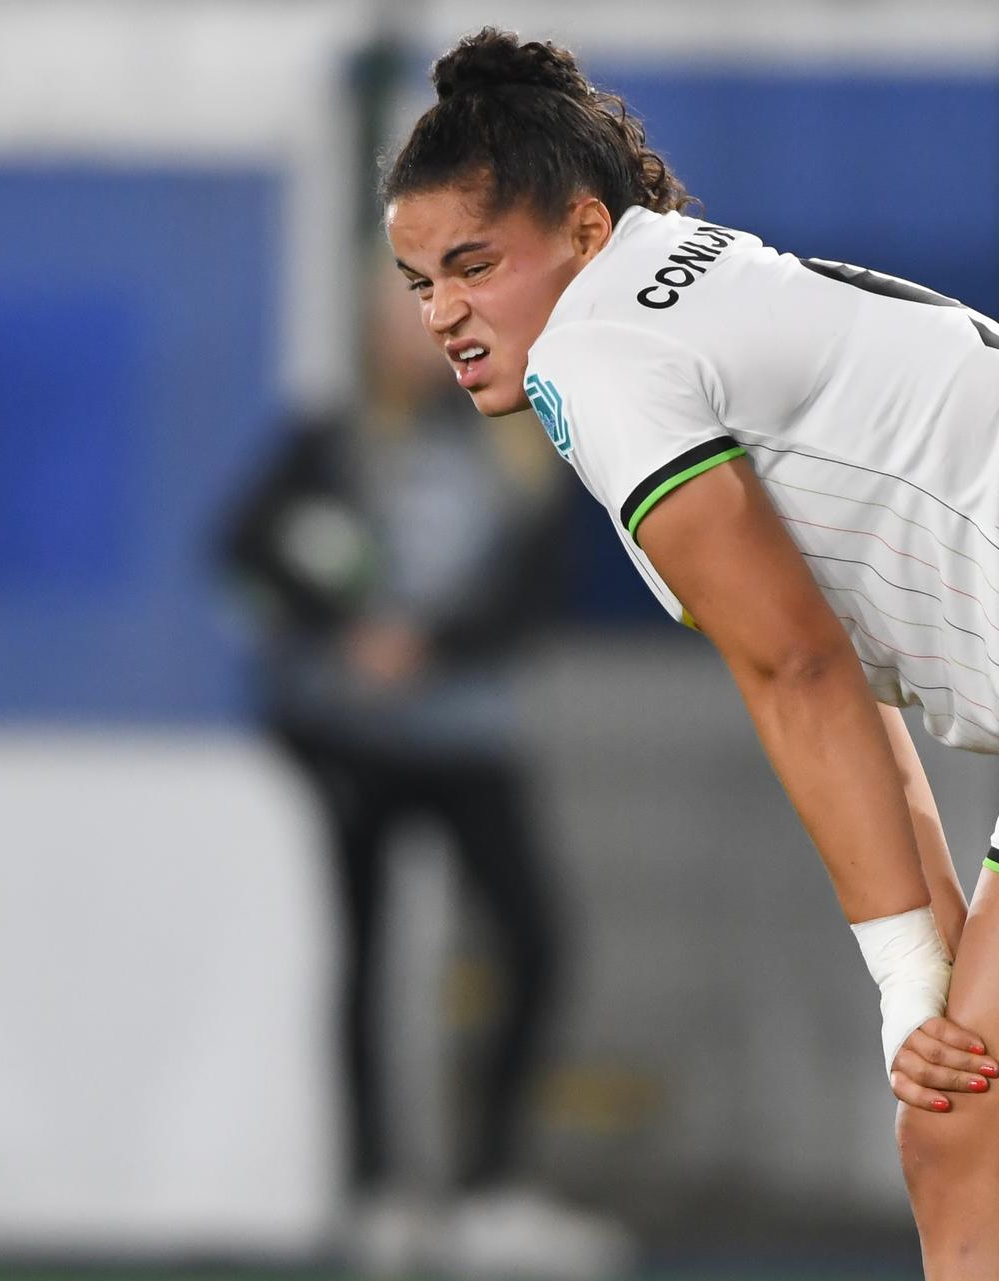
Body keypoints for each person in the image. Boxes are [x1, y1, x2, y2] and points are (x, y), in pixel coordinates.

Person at [379, 27, 999, 1281]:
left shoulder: (594, 352)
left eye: (474, 265)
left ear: (587, 231)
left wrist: (907, 978)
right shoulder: (717, 280)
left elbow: (796, 670)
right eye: (419, 281)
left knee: (965, 1145)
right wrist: (931, 952)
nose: (443, 312)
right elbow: (841, 675)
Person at [220, 269, 632, 1280]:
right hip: (350, 743)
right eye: (403, 316)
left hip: (470, 741)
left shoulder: (519, 445)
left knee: (533, 940)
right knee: (362, 960)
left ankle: (489, 1189)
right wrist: (342, 625)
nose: (423, 335)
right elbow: (246, 544)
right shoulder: (334, 442)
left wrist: (430, 646)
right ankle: (375, 1192)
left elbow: (537, 588)